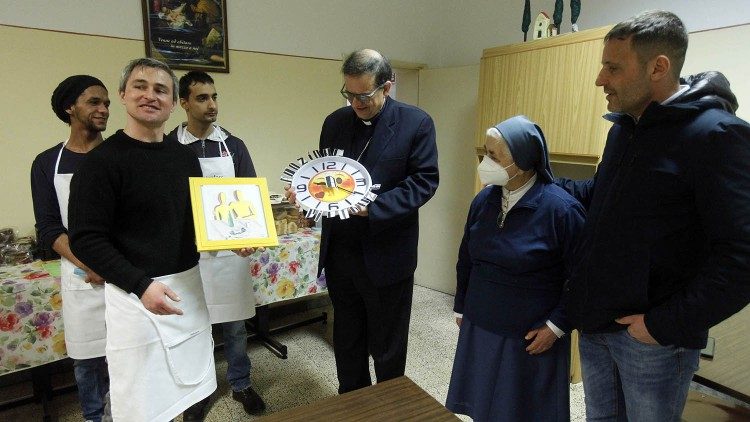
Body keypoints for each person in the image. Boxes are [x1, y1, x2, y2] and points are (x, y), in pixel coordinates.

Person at [556, 10, 750, 421]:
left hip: (653, 341)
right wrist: (537, 178)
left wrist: (664, 325)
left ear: (658, 67)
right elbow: (605, 202)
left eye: (613, 67)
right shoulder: (624, 129)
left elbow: (742, 257)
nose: (600, 79)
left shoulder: (716, 136)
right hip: (597, 325)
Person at [68, 58, 216, 422]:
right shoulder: (101, 163)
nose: (150, 96)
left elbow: (194, 222)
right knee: (143, 402)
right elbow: (87, 240)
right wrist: (141, 285)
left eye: (161, 89)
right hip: (136, 299)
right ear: (123, 95)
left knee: (193, 389)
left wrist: (231, 238)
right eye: (140, 86)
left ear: (172, 101)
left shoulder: (184, 158)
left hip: (188, 289)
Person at [297, 48, 439, 394]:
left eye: (364, 95)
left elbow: (424, 181)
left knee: (388, 347)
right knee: (347, 340)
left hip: (387, 255)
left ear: (387, 87)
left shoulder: (416, 123)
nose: (356, 103)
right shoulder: (334, 122)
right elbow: (326, 175)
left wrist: (372, 207)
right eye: (349, 94)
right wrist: (307, 196)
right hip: (341, 254)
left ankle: (387, 406)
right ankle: (353, 405)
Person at [446, 116, 585, 421]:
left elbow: (582, 278)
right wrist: (461, 306)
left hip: (530, 336)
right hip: (481, 323)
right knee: (483, 406)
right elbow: (466, 256)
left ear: (522, 162)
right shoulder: (484, 200)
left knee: (521, 411)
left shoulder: (561, 210)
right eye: (486, 152)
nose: (485, 161)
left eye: (494, 156)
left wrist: (556, 326)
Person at [166, 70, 265, 419]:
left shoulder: (233, 145)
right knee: (195, 327)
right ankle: (198, 392)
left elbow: (250, 195)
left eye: (214, 97)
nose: (212, 105)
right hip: (187, 254)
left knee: (235, 325)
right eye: (202, 98)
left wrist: (251, 235)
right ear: (183, 103)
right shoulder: (169, 147)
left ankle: (241, 383)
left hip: (230, 253)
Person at [31, 75, 110, 422]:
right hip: (81, 276)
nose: (103, 109)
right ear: (69, 108)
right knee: (87, 359)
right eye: (94, 102)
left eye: (106, 103)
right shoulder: (47, 163)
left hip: (126, 274)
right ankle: (94, 416)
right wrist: (92, 263)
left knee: (128, 353)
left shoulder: (120, 156)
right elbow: (49, 228)